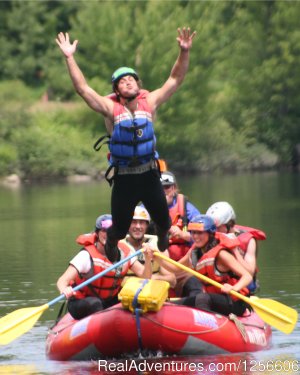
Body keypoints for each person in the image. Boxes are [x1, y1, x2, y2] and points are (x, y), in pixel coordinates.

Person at [56, 28, 196, 263]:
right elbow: (83, 89)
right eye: (123, 80)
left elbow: (175, 79)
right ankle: (111, 243)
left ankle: (162, 237)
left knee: (164, 223)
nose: (129, 81)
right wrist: (70, 57)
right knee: (120, 230)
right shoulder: (111, 110)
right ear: (117, 90)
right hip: (125, 179)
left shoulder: (149, 102)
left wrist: (184, 51)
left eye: (131, 78)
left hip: (149, 174)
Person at [57, 214, 154, 320]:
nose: (108, 234)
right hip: (82, 301)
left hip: (108, 300)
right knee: (95, 304)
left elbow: (146, 277)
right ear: (97, 234)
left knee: (133, 298)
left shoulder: (126, 253)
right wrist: (64, 290)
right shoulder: (86, 256)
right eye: (104, 230)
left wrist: (148, 259)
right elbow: (62, 281)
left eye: (111, 231)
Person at [156, 215, 253, 316]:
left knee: (202, 298)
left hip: (235, 301)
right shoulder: (194, 252)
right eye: (193, 232)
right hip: (214, 298)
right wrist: (156, 258)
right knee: (171, 304)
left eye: (200, 233)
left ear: (210, 234)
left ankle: (208, 325)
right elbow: (175, 268)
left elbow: (247, 276)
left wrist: (234, 288)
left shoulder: (221, 254)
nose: (195, 236)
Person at [206, 201, 266, 294]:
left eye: (218, 228)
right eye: (212, 228)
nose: (214, 232)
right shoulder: (210, 237)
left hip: (240, 287)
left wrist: (235, 250)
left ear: (229, 224)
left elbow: (250, 272)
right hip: (219, 284)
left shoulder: (249, 240)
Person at [122, 206, 176, 288]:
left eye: (142, 222)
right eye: (133, 222)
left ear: (147, 225)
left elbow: (172, 280)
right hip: (126, 296)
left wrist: (152, 278)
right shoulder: (119, 245)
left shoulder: (158, 245)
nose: (138, 226)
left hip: (152, 296)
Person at [160, 171, 201, 261]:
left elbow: (204, 237)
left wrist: (182, 234)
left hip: (183, 258)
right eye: (159, 187)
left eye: (167, 187)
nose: (163, 191)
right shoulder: (146, 208)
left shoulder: (188, 209)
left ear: (174, 188)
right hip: (157, 255)